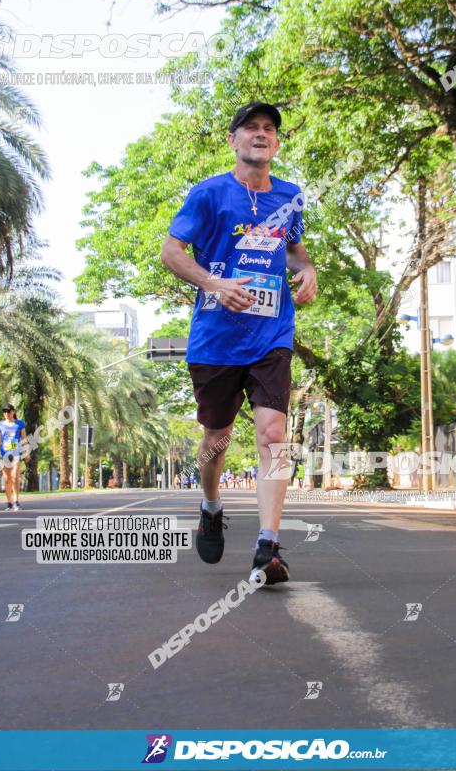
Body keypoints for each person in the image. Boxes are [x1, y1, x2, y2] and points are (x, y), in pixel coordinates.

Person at [161, 101, 317, 584]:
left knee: (273, 435)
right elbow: (172, 252)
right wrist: (214, 284)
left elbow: (291, 248)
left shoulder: (290, 196)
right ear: (233, 141)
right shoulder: (208, 195)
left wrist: (307, 269)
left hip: (271, 334)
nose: (260, 133)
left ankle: (267, 546)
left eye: (269, 128)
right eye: (250, 127)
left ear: (277, 142)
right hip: (215, 340)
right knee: (217, 438)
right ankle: (210, 505)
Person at [0, 404, 28, 511]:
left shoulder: (19, 424)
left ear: (13, 412)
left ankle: (16, 501)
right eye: (4, 411)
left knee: (15, 477)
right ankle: (9, 503)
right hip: (4, 455)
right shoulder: (0, 425)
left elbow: (24, 439)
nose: (6, 414)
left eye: (8, 411)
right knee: (7, 479)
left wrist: (27, 453)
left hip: (16, 454)